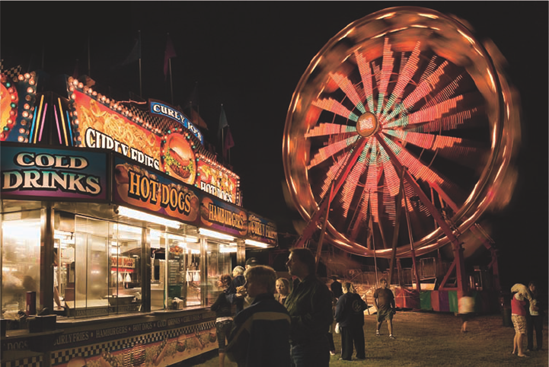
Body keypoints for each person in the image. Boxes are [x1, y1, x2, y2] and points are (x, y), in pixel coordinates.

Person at [225, 265, 291, 367]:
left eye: (249, 281)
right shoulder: (284, 312)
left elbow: (232, 350)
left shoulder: (249, 314)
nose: (245, 286)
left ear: (262, 285)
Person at [284, 248, 333, 367]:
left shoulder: (317, 288)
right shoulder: (297, 286)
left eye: (292, 260)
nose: (287, 263)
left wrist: (288, 322)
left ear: (304, 263)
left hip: (310, 350)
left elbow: (321, 320)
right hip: (294, 347)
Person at [335, 282, 367, 361]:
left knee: (347, 341)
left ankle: (346, 356)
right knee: (359, 340)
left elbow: (339, 311)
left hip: (347, 322)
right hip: (358, 321)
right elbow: (364, 306)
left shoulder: (343, 298)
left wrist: (337, 319)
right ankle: (361, 354)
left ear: (344, 288)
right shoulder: (356, 297)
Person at [210, 274, 234, 367]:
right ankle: (237, 361)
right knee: (231, 343)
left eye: (219, 280)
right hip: (230, 320)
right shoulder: (230, 293)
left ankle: (221, 365)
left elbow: (213, 307)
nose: (217, 282)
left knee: (221, 345)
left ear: (224, 282)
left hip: (221, 321)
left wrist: (216, 308)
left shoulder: (221, 295)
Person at [510, 283, 529, 357]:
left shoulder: (513, 297)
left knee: (517, 332)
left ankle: (515, 350)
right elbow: (522, 292)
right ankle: (520, 352)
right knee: (521, 332)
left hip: (514, 315)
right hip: (519, 315)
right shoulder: (517, 295)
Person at [526, 281, 544, 352]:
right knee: (529, 331)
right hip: (530, 316)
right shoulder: (527, 296)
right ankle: (529, 347)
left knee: (539, 331)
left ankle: (539, 347)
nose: (531, 288)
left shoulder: (539, 295)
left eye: (533, 286)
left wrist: (538, 308)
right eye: (530, 286)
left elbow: (543, 304)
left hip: (538, 316)